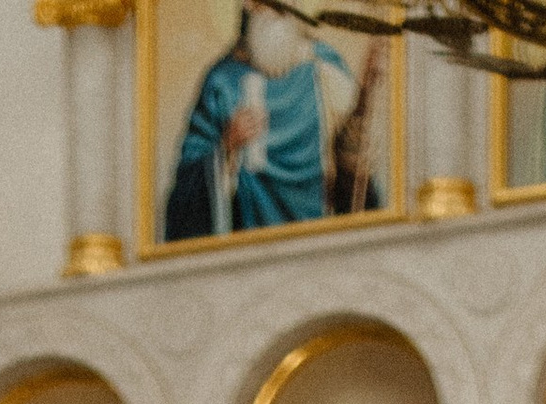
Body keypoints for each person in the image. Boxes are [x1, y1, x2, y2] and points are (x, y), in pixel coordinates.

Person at [162, 9, 382, 236]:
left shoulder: (324, 68)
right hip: (249, 250)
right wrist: (227, 146)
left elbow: (351, 165)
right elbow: (186, 193)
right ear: (248, 4)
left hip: (318, 241)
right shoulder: (222, 83)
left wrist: (365, 94)